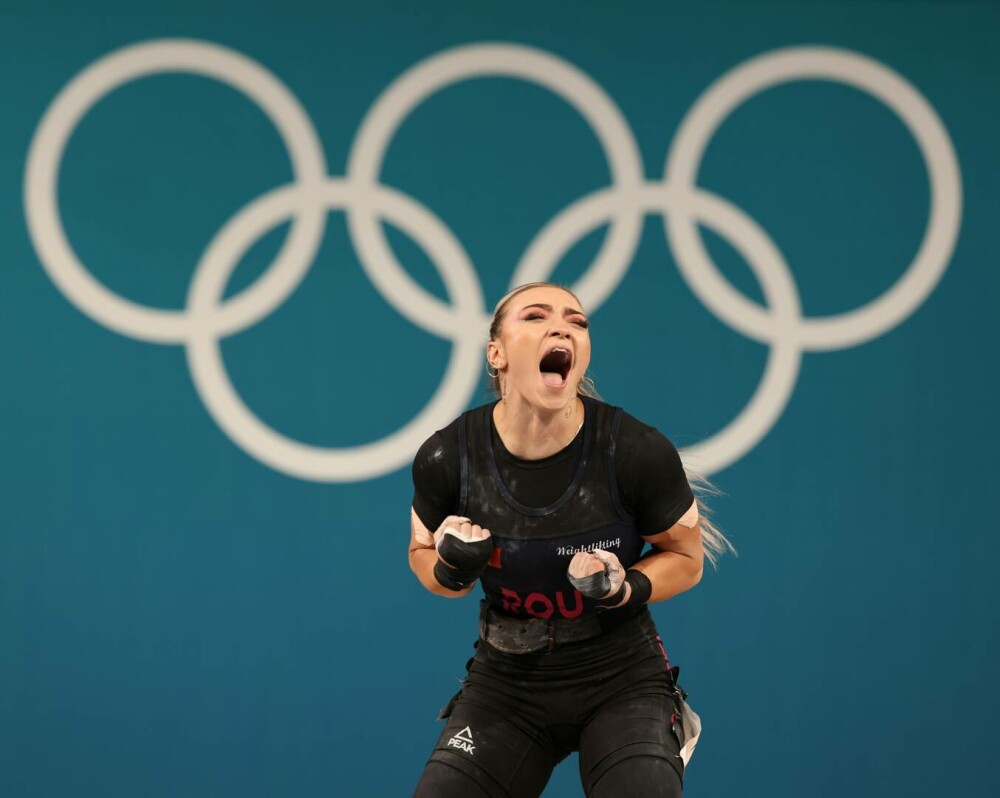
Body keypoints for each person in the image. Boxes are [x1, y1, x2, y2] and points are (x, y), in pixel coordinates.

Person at [408, 282, 731, 798]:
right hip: (506, 684)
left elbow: (686, 559)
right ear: (497, 354)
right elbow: (423, 559)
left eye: (577, 322)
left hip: (619, 676)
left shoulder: (636, 451)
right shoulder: (448, 459)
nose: (562, 327)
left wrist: (624, 587)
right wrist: (452, 568)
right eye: (536, 316)